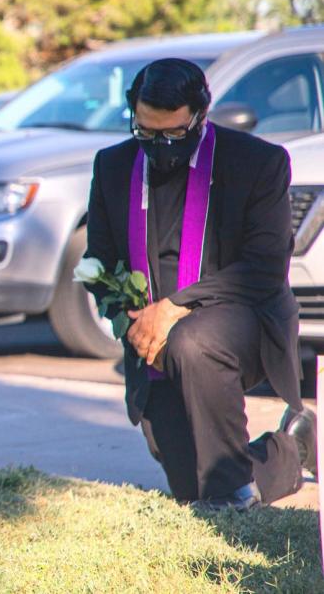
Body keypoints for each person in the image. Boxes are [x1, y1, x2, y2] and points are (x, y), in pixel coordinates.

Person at [84, 58, 316, 510]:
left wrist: (173, 308)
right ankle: (292, 450)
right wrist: (129, 317)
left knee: (193, 340)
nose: (160, 147)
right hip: (153, 337)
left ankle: (230, 499)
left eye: (174, 135)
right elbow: (100, 260)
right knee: (191, 486)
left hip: (244, 321)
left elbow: (264, 269)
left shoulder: (258, 162)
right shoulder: (113, 166)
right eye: (146, 134)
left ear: (200, 116)